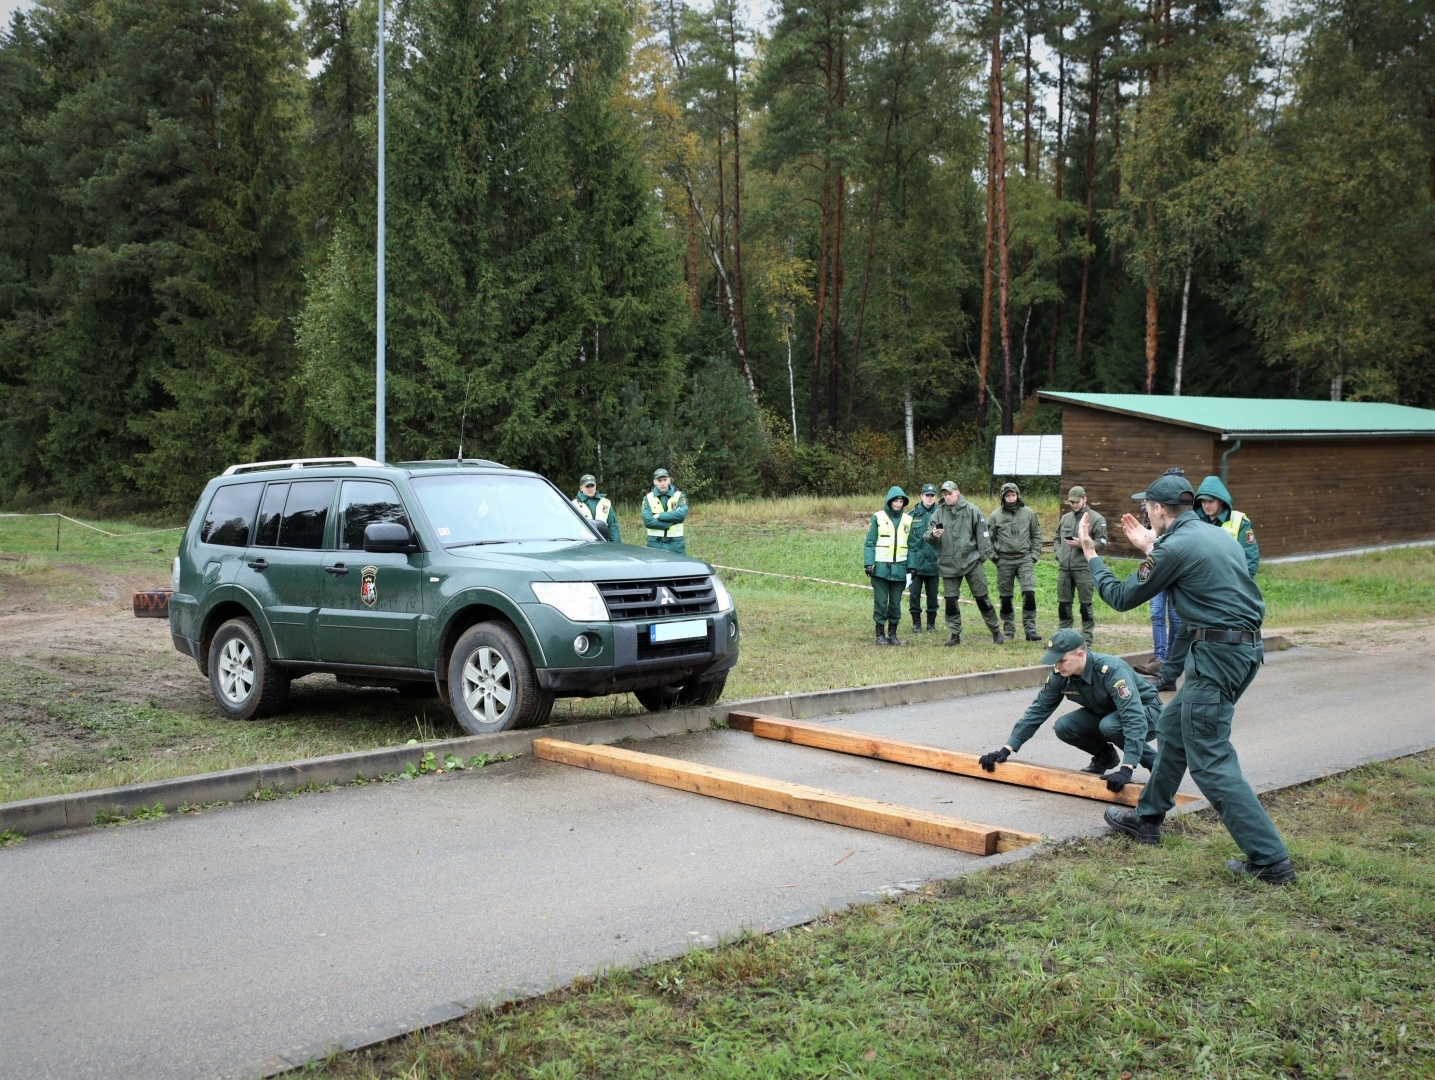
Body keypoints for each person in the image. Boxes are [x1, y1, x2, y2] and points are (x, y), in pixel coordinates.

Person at [1076, 472, 1296, 886]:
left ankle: (1270, 861)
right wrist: (1154, 547)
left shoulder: (1175, 547)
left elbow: (1121, 597)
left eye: (1147, 508)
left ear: (1159, 509)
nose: (1145, 514)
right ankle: (1147, 819)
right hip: (1240, 651)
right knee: (1173, 730)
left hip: (1217, 657)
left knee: (1210, 760)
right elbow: (1195, 580)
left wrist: (1091, 554)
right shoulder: (1215, 535)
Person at [977, 628, 1161, 790]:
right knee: (1064, 726)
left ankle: (1158, 767)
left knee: (1110, 725)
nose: (1057, 666)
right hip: (1108, 713)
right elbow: (1038, 710)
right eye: (1054, 661)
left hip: (1146, 711)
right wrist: (1006, 749)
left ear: (1080, 655)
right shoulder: (1060, 676)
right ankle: (1105, 756)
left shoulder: (1111, 670)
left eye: (1062, 660)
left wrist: (1127, 767)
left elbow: (1132, 717)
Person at [924, 481, 1003, 646]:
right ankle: (955, 634)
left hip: (972, 561)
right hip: (948, 563)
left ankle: (995, 631)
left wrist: (981, 558)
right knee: (951, 602)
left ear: (957, 492)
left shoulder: (972, 510)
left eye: (950, 493)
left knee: (982, 599)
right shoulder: (939, 513)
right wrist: (933, 535)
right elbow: (927, 535)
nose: (947, 497)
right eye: (945, 494)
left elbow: (984, 536)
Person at [1136, 467, 1186, 681]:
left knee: (1175, 616)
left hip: (1174, 569)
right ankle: (1159, 658)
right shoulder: (1154, 506)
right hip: (1156, 565)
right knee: (1157, 613)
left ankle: (1171, 660)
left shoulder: (1183, 510)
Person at [988, 481, 1043, 642]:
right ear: (1003, 497)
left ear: (1017, 495)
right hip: (1004, 560)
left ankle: (1030, 630)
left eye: (1013, 495)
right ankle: (1009, 630)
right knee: (1006, 598)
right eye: (1008, 496)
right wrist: (994, 557)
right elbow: (987, 539)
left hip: (1025, 559)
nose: (1011, 498)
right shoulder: (995, 516)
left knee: (1029, 594)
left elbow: (1036, 534)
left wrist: (1034, 555)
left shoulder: (1028, 513)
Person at [1055, 486, 1106, 644]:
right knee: (1064, 604)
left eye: (1077, 501)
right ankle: (1065, 638)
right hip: (1065, 568)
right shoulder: (1065, 518)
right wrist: (1059, 554)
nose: (1074, 504)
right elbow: (1057, 539)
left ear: (1085, 499)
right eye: (1071, 502)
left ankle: (1086, 640)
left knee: (1085, 605)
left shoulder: (1096, 519)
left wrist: (1081, 544)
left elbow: (1102, 543)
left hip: (1084, 568)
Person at [863, 486, 914, 646]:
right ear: (889, 501)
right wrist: (869, 563)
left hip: (900, 569)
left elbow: (913, 546)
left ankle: (893, 634)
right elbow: (870, 543)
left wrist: (912, 567)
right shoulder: (877, 518)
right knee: (881, 602)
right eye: (895, 501)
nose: (898, 504)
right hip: (880, 570)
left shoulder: (908, 520)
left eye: (901, 501)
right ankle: (880, 635)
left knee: (895, 604)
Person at [1195, 476, 1260, 577]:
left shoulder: (1240, 522)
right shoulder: (1194, 521)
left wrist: (1243, 583)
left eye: (1211, 501)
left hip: (1230, 581)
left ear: (1221, 500)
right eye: (1203, 501)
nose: (1206, 506)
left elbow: (1250, 557)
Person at [907, 483, 941, 633]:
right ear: (921, 496)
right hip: (915, 563)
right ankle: (916, 623)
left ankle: (931, 624)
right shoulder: (911, 515)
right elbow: (906, 541)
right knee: (914, 595)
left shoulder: (941, 514)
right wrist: (908, 562)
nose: (929, 498)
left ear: (935, 497)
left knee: (933, 595)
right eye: (927, 495)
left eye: (932, 495)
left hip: (934, 562)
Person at [642, 468, 688, 555]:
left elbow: (681, 515)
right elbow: (648, 521)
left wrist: (659, 515)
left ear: (669, 480)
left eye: (665, 480)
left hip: (676, 543)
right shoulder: (648, 498)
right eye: (659, 480)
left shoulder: (679, 496)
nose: (662, 483)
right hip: (654, 542)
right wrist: (669, 524)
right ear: (654, 482)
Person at [572, 474, 621, 543]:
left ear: (595, 486)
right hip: (582, 544)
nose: (590, 489)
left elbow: (613, 527)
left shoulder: (606, 503)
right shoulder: (574, 505)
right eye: (587, 486)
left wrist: (615, 545)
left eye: (592, 486)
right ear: (581, 488)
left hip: (603, 543)